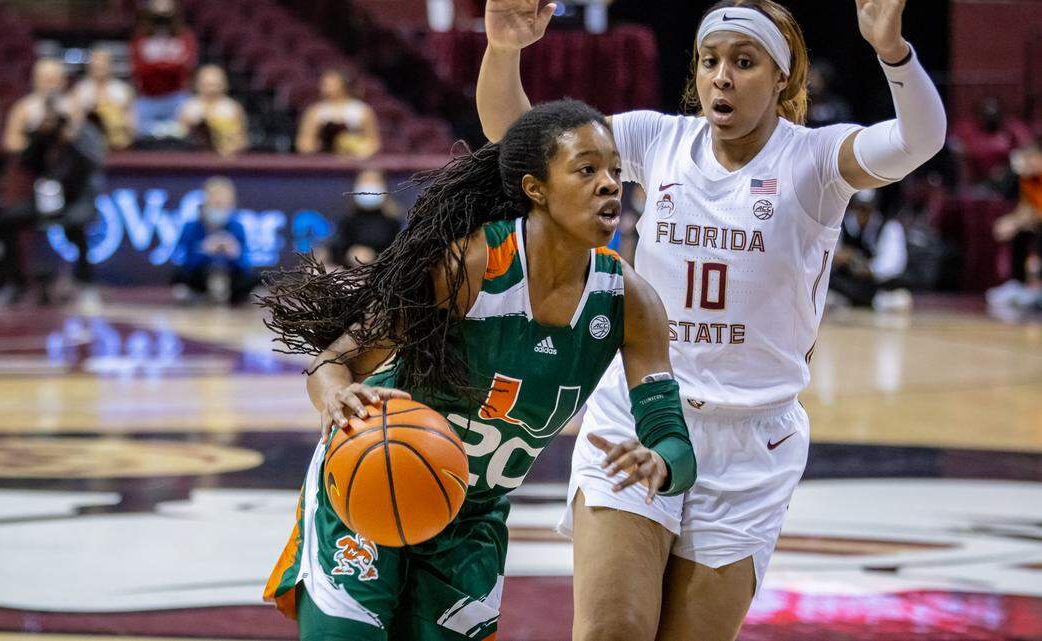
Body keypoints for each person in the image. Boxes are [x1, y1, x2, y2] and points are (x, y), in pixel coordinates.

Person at [476, 1, 946, 639]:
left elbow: (921, 141)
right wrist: (504, 50)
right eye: (709, 61)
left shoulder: (815, 158)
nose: (721, 76)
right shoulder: (657, 139)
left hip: (751, 444)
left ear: (781, 77)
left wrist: (892, 51)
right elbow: (520, 144)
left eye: (743, 62)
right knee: (611, 631)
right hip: (640, 412)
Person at [261, 99, 696, 640]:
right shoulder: (472, 266)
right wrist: (335, 396)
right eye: (587, 170)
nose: (610, 184)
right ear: (536, 189)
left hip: (469, 519)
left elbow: (675, 443)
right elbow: (335, 362)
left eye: (614, 170)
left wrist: (660, 462)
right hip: (372, 478)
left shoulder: (630, 300)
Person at [0, 59, 106, 309]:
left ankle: (86, 285)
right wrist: (37, 135)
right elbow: (19, 155)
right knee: (7, 220)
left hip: (73, 194)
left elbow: (93, 160)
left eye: (54, 78)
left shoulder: (76, 111)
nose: (49, 83)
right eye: (44, 77)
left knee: (78, 225)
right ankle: (14, 284)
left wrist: (71, 134)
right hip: (40, 193)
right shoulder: (26, 110)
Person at [171, 176, 255, 305]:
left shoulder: (237, 227)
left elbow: (245, 264)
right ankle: (197, 293)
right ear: (206, 201)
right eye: (216, 203)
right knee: (179, 277)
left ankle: (233, 295)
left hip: (230, 276)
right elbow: (186, 262)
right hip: (202, 275)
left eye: (224, 204)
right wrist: (204, 250)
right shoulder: (191, 227)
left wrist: (234, 253)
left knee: (254, 278)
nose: (219, 207)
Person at [829, 189, 911, 311]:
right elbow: (829, 254)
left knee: (900, 297)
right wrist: (840, 257)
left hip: (875, 284)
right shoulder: (840, 224)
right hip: (847, 281)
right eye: (859, 208)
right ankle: (862, 300)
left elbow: (893, 264)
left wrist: (868, 268)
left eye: (867, 209)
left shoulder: (889, 227)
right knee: (833, 287)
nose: (862, 214)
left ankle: (864, 300)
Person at [987, 138, 1042, 309]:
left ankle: (1036, 287)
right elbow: (1027, 208)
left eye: (1031, 159)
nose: (1025, 164)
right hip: (1035, 222)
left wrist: (1016, 223)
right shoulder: (1028, 180)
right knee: (1020, 234)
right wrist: (1011, 221)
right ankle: (1018, 284)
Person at [130, 0, 197, 137]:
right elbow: (139, 68)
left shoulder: (184, 36)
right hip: (147, 98)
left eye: (166, 13)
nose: (162, 18)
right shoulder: (141, 37)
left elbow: (187, 65)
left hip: (177, 97)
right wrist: (170, 65)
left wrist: (154, 65)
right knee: (134, 130)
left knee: (187, 132)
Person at [295, 69, 381, 158]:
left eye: (331, 84)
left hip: (355, 160)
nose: (325, 87)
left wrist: (358, 149)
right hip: (322, 160)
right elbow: (303, 142)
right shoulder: (315, 111)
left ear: (344, 85)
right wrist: (318, 147)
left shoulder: (362, 110)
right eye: (324, 84)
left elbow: (373, 142)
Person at [327, 169, 403, 267]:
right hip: (349, 272)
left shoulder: (393, 223)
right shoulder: (347, 221)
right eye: (365, 182)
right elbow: (334, 251)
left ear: (384, 188)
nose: (369, 188)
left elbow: (399, 253)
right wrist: (350, 254)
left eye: (375, 182)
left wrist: (373, 256)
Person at [69, 46, 136, 150]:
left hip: (118, 143)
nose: (99, 65)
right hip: (88, 143)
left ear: (110, 65)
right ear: (90, 66)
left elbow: (131, 123)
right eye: (96, 63)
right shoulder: (80, 90)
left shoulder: (123, 90)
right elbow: (75, 121)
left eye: (103, 63)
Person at [176, 65, 248, 157]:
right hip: (194, 158)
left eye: (215, 85)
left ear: (224, 84)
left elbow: (242, 140)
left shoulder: (232, 108)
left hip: (226, 159)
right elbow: (180, 136)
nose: (211, 89)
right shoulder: (189, 107)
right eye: (207, 85)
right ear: (197, 84)